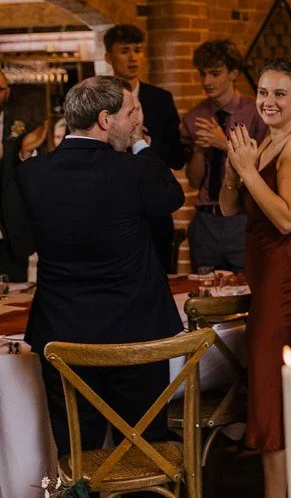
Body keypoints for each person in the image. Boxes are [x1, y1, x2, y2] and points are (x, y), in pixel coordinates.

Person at [19, 76, 184, 454]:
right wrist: (142, 147)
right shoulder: (134, 170)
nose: (136, 124)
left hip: (62, 334)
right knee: (143, 445)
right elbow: (171, 197)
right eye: (131, 114)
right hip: (134, 334)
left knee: (77, 450)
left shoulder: (31, 173)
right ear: (106, 119)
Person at [219, 58, 291, 498]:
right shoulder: (262, 144)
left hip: (285, 284)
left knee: (274, 403)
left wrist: (246, 172)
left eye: (280, 93)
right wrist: (232, 169)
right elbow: (227, 209)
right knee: (273, 400)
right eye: (263, 92)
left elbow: (285, 218)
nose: (268, 101)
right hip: (264, 282)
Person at [104, 24, 185, 272]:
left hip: (155, 211)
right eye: (124, 51)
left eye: (137, 50)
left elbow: (177, 157)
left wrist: (147, 144)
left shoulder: (160, 99)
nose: (132, 57)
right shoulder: (99, 99)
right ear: (108, 57)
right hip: (113, 210)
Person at [182, 40, 268, 272]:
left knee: (247, 288)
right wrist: (200, 150)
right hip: (205, 219)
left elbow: (264, 166)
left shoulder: (255, 112)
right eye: (203, 74)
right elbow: (194, 181)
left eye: (215, 73)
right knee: (206, 294)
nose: (206, 81)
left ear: (234, 73)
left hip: (243, 217)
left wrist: (224, 144)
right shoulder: (194, 117)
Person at [0, 69, 40, 281]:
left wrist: (26, 153)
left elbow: (35, 176)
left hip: (12, 234)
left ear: (7, 92)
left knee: (15, 303)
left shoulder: (22, 128)